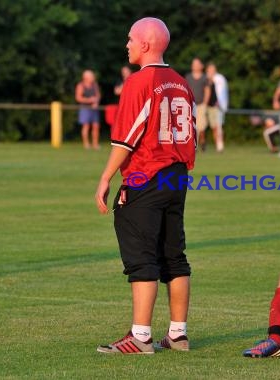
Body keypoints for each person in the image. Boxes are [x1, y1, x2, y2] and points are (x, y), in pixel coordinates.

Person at [95, 17, 197, 355]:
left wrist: (107, 176)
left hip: (146, 174)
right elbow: (191, 136)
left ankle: (140, 337)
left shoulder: (139, 82)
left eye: (130, 39)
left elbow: (127, 138)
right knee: (174, 255)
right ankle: (178, 334)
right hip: (177, 174)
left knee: (142, 256)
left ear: (145, 44)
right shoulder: (182, 83)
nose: (126, 45)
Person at [186, 58, 209, 150]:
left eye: (196, 64)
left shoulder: (204, 78)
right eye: (193, 64)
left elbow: (207, 90)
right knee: (191, 125)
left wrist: (205, 103)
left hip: (201, 105)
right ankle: (193, 145)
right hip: (190, 105)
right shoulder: (188, 77)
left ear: (201, 66)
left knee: (201, 125)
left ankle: (202, 142)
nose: (194, 66)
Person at [75, 69, 101, 150]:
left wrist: (96, 101)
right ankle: (86, 144)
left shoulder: (95, 85)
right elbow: (78, 98)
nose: (93, 77)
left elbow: (98, 96)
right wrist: (90, 100)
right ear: (86, 77)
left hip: (94, 108)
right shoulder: (80, 85)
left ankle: (95, 144)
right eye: (91, 75)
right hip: (85, 108)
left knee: (96, 126)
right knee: (86, 126)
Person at [205, 62, 228, 152]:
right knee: (208, 126)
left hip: (217, 106)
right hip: (207, 106)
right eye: (210, 69)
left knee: (218, 126)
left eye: (212, 69)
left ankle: (220, 145)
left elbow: (222, 92)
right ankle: (213, 144)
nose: (211, 71)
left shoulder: (219, 79)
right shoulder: (205, 79)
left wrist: (221, 103)